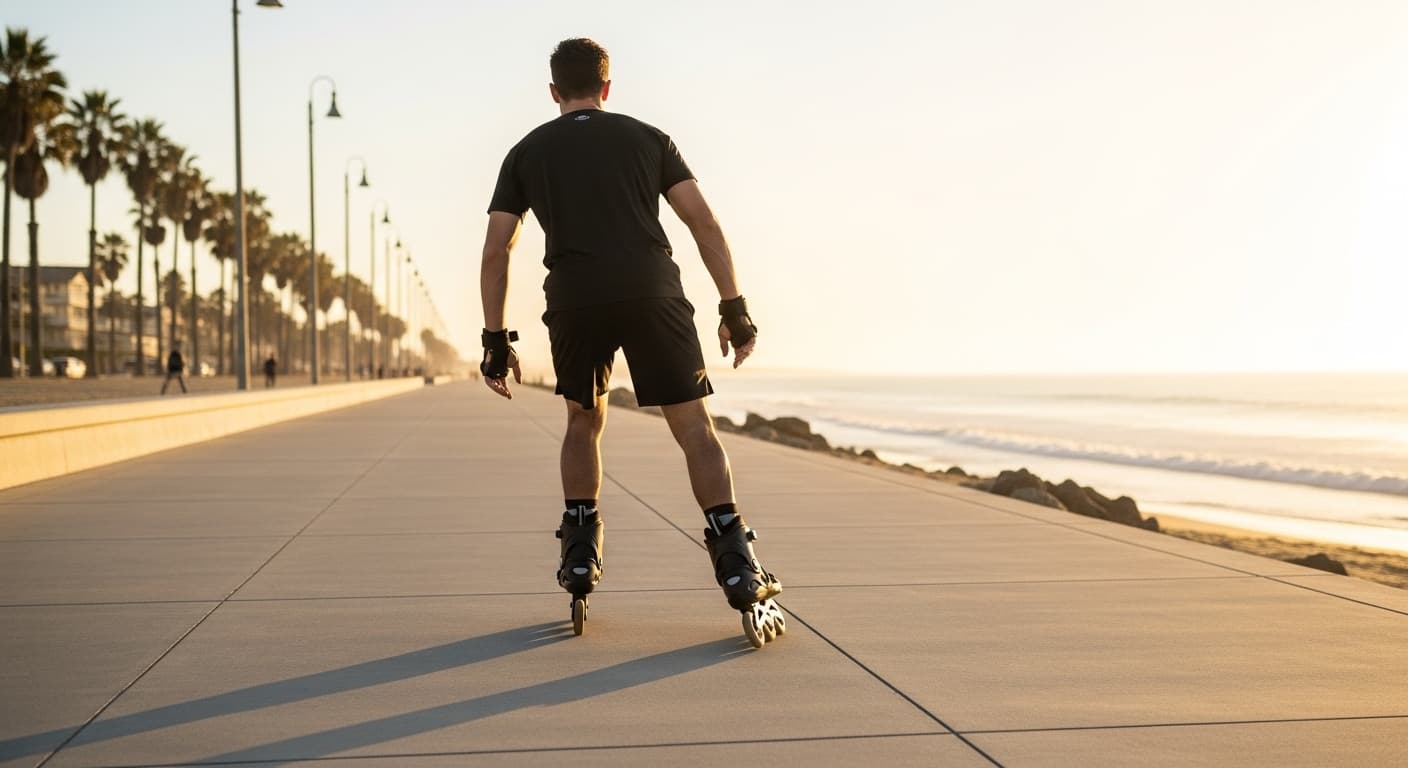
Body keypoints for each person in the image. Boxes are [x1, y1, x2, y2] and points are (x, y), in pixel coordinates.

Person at [478, 38, 783, 644]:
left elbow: (497, 248)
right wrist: (734, 308)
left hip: (574, 299)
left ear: (554, 92)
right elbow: (703, 222)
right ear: (607, 88)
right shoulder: (649, 138)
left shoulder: (526, 152)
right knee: (695, 430)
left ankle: (578, 552)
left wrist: (494, 338)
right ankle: (738, 565)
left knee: (582, 422)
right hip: (652, 294)